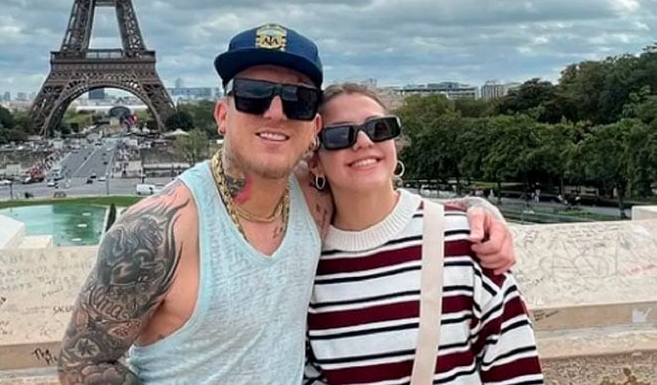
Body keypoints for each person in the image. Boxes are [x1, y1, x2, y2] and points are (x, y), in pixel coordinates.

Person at [57, 24, 515, 384]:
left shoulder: (313, 199)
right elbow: (83, 365)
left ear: (313, 126)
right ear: (222, 114)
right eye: (254, 95)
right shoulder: (157, 231)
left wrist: (476, 207)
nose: (275, 112)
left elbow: (381, 200)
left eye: (295, 100)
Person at [304, 83, 543, 384]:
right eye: (340, 135)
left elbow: (515, 371)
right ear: (315, 162)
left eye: (379, 128)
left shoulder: (464, 239)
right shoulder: (306, 266)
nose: (364, 141)